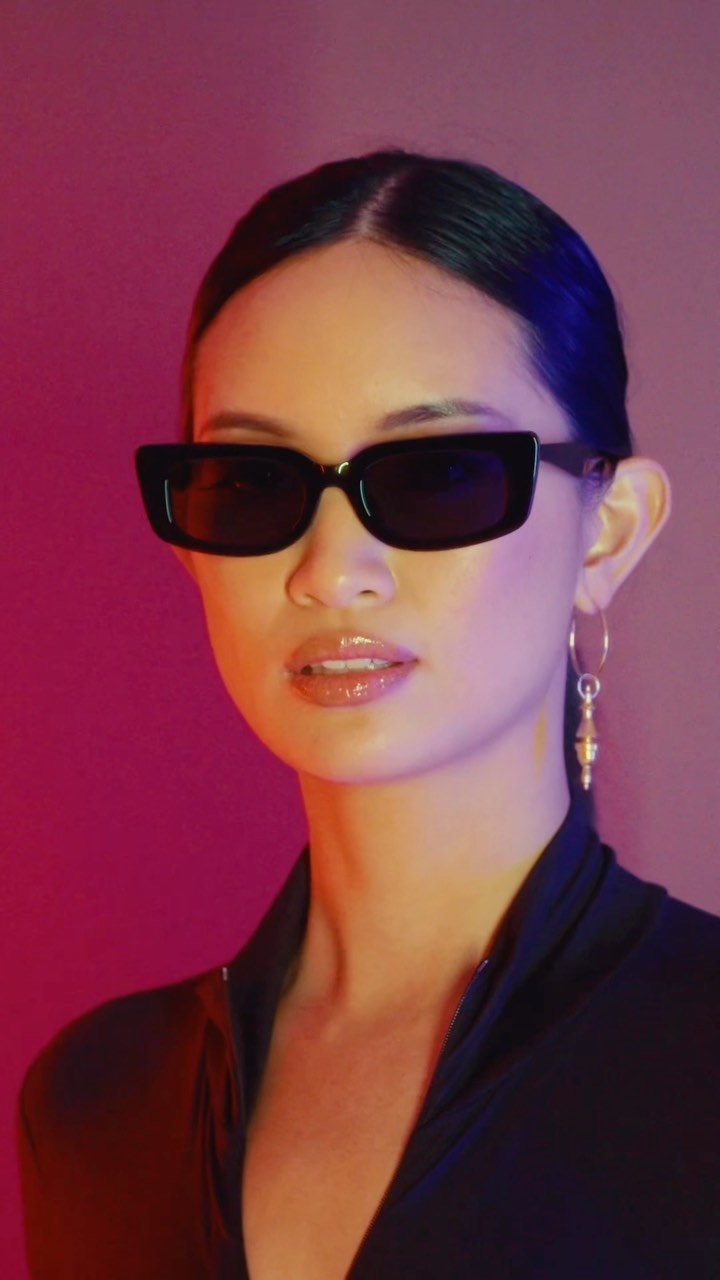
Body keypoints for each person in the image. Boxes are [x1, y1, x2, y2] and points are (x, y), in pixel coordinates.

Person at [17, 150, 720, 1280]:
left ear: (608, 532)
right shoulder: (99, 1105)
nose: (331, 570)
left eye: (435, 472)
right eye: (254, 479)